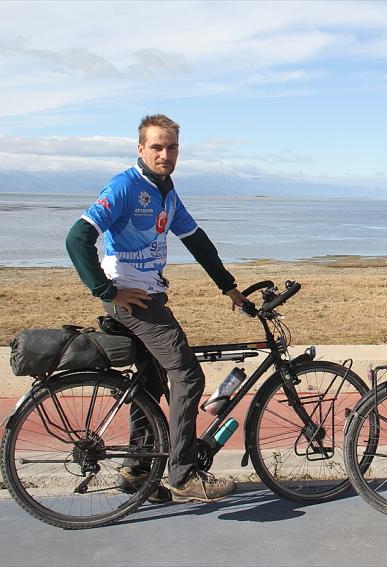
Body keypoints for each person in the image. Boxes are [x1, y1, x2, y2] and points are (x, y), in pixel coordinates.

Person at [65, 114, 248, 503]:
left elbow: (196, 240)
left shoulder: (166, 190)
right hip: (136, 303)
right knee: (187, 375)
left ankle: (137, 471)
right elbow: (77, 238)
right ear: (141, 149)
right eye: (157, 147)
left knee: (149, 383)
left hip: (149, 296)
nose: (165, 154)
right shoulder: (125, 187)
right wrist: (107, 290)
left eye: (172, 147)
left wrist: (229, 287)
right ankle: (183, 475)